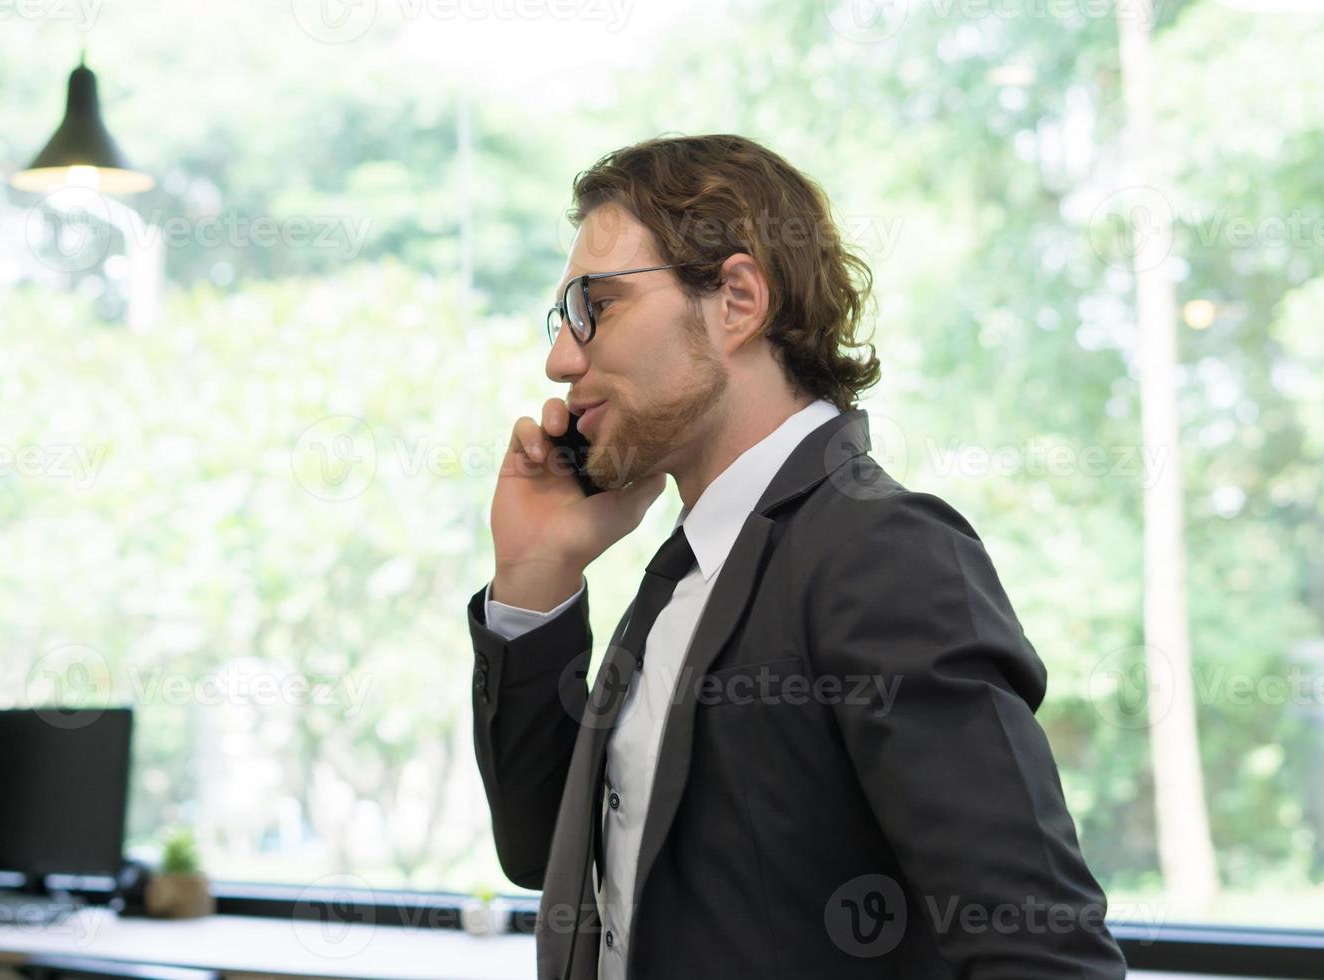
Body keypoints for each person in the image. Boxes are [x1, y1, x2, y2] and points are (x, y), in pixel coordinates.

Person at [466, 133, 1127, 980]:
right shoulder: (681, 574)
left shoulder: (881, 552)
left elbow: (1041, 954)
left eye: (595, 304)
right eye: (563, 319)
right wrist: (536, 579)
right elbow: (545, 857)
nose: (561, 358)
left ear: (736, 300)